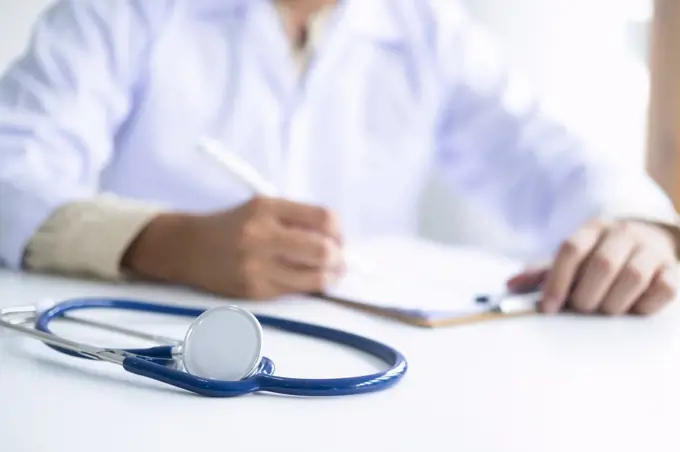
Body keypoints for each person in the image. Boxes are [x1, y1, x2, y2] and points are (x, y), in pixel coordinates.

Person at [0, 0, 678, 317]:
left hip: (367, 378)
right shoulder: (121, 12)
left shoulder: (428, 29)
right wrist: (168, 243)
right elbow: (11, 176)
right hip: (154, 354)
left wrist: (636, 228)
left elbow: (546, 154)